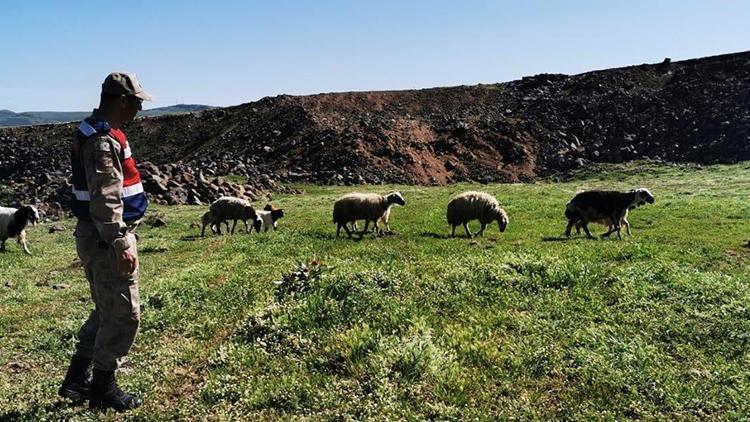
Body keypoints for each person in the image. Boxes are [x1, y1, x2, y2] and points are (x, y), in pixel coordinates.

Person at [59, 72, 151, 412]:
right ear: (121, 100)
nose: (140, 109)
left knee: (106, 309)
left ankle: (76, 380)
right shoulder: (101, 140)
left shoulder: (97, 131)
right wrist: (119, 240)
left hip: (98, 237)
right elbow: (106, 198)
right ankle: (102, 387)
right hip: (106, 238)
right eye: (137, 102)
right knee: (125, 314)